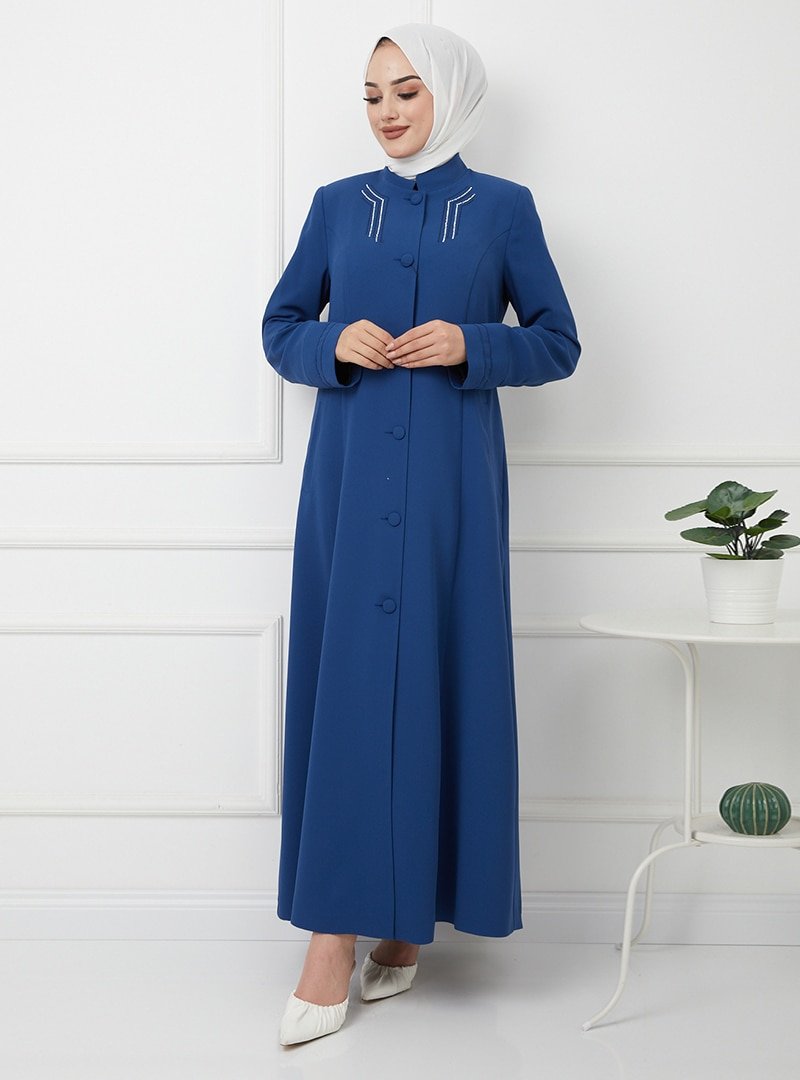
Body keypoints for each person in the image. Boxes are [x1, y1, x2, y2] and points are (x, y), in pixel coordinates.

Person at [262, 22, 581, 1046]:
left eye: (406, 90)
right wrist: (332, 342)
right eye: (371, 95)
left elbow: (557, 342)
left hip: (451, 490)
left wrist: (471, 343)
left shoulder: (502, 209)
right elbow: (278, 328)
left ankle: (403, 929)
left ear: (449, 94)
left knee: (441, 677)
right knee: (353, 689)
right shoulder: (334, 206)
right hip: (350, 486)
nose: (387, 111)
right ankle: (332, 937)